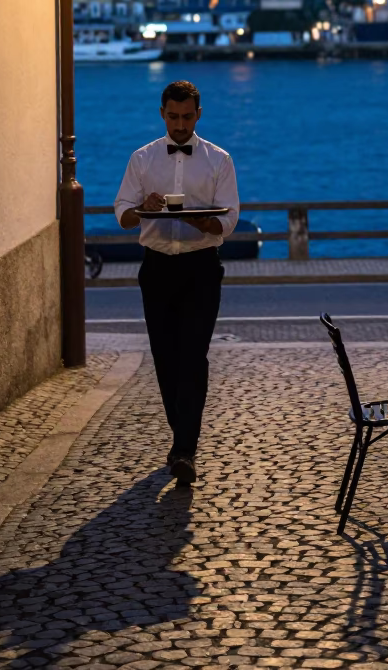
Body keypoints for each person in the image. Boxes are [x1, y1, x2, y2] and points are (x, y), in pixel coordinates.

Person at [115, 79, 239, 485]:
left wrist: (202, 220)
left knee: (194, 356)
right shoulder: (142, 159)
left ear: (198, 115)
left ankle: (185, 447)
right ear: (162, 114)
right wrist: (142, 208)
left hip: (202, 267)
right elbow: (122, 214)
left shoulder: (219, 160)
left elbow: (229, 220)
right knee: (165, 358)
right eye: (173, 117)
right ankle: (180, 437)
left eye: (187, 117)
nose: (180, 124)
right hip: (157, 268)